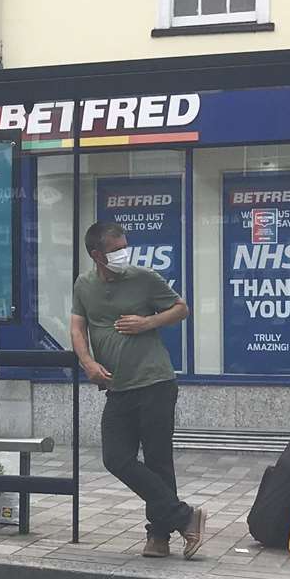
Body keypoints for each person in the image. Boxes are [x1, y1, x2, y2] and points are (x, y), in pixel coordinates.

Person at [71, 220, 205, 558]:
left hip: (155, 382)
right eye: (115, 250)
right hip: (117, 387)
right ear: (96, 254)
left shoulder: (144, 278)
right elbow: (77, 326)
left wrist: (148, 322)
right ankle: (185, 516)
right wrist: (87, 362)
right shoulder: (84, 285)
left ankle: (158, 538)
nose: (123, 254)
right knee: (116, 458)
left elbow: (181, 308)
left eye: (124, 247)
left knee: (159, 460)